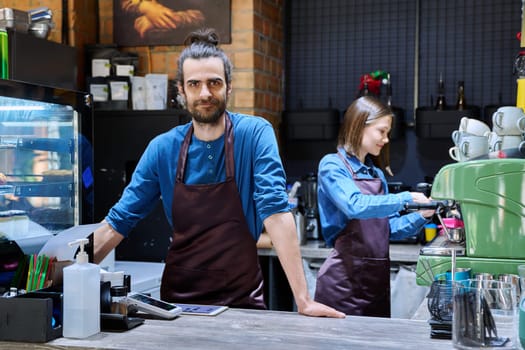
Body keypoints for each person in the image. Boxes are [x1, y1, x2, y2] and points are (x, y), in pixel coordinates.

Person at [93, 28, 344, 318]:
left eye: (214, 83)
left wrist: (304, 300)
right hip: (179, 308)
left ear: (228, 87)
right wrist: (64, 276)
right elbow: (119, 221)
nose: (205, 93)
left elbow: (275, 212)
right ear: (181, 91)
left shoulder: (254, 134)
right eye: (194, 84)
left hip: (243, 302)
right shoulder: (163, 148)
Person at [314, 96, 435, 317]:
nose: (386, 139)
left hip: (376, 287)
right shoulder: (332, 165)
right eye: (382, 131)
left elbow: (386, 229)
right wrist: (406, 198)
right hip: (342, 287)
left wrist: (423, 214)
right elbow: (355, 205)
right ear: (360, 125)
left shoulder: (376, 175)